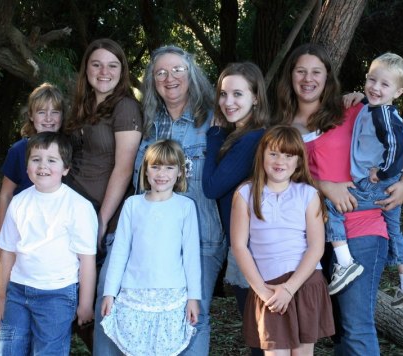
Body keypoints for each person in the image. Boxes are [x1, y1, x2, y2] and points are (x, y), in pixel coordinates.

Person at [276, 43, 403, 355]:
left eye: (316, 72)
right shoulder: (282, 127)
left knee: (356, 326)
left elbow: (393, 140)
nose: (308, 79)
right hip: (310, 239)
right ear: (290, 76)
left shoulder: (351, 109)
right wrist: (325, 185)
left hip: (362, 228)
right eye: (301, 71)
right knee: (336, 328)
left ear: (327, 77)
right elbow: (279, 179)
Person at [133, 45, 226, 355]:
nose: (169, 78)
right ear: (152, 81)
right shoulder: (146, 124)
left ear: (191, 75)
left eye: (177, 70)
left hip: (201, 238)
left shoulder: (215, 119)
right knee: (153, 317)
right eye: (161, 72)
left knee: (194, 316)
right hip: (151, 240)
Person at [63, 38, 142, 354]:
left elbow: (124, 169)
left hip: (103, 217)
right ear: (86, 69)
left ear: (122, 71)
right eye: (96, 64)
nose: (104, 71)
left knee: (98, 302)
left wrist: (101, 221)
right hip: (71, 214)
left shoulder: (125, 107)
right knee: (70, 299)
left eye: (112, 65)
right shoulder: (82, 105)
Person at [325, 53, 403, 307]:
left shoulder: (383, 115)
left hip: (375, 184)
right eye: (372, 80)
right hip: (387, 184)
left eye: (384, 84)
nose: (376, 87)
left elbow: (397, 145)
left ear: (398, 92)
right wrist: (363, 97)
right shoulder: (375, 107)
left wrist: (384, 172)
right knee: (394, 230)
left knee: (331, 204)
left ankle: (345, 263)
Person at [231, 125, 335, 355]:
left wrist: (290, 288)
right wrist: (263, 292)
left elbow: (316, 247)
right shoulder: (245, 194)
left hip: (304, 283)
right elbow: (239, 246)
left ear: (298, 161)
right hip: (268, 287)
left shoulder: (308, 194)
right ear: (262, 155)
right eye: (274, 153)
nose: (280, 160)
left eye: (289, 155)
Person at [0, 132, 97, 356]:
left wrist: (86, 304)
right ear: (27, 165)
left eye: (52, 160)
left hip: (57, 295)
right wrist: (2, 298)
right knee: (7, 350)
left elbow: (86, 259)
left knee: (49, 351)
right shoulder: (19, 202)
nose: (43, 166)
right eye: (36, 159)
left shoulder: (78, 206)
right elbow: (8, 253)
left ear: (66, 168)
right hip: (18, 292)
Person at [100, 139, 201, 355]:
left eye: (169, 167)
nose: (161, 173)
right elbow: (120, 251)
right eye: (155, 167)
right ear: (145, 171)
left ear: (180, 172)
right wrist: (110, 292)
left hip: (172, 296)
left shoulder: (185, 207)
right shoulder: (133, 204)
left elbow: (191, 257)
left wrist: (194, 297)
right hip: (134, 295)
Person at [202, 62, 269, 355]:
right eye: (223, 94)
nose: (228, 102)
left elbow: (212, 187)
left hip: (254, 250)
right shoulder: (243, 136)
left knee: (261, 336)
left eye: (238, 94)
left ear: (256, 97)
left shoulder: (252, 140)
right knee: (260, 335)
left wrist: (214, 136)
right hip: (246, 245)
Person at [0, 83, 64, 257]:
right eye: (42, 112)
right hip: (24, 229)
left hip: (57, 231)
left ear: (62, 116)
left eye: (55, 112)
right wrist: (0, 237)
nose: (48, 118)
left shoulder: (67, 149)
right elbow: (6, 195)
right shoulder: (18, 150)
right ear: (31, 116)